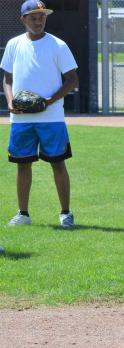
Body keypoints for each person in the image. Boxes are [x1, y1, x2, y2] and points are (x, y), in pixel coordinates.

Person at [1, 0, 79, 228]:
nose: (38, 20)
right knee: (22, 165)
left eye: (42, 16)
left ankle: (65, 213)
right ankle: (23, 213)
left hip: (51, 117)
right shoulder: (14, 44)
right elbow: (7, 80)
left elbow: (72, 79)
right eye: (33, 17)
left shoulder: (58, 45)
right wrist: (10, 101)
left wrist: (49, 101)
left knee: (58, 163)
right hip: (21, 119)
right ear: (23, 19)